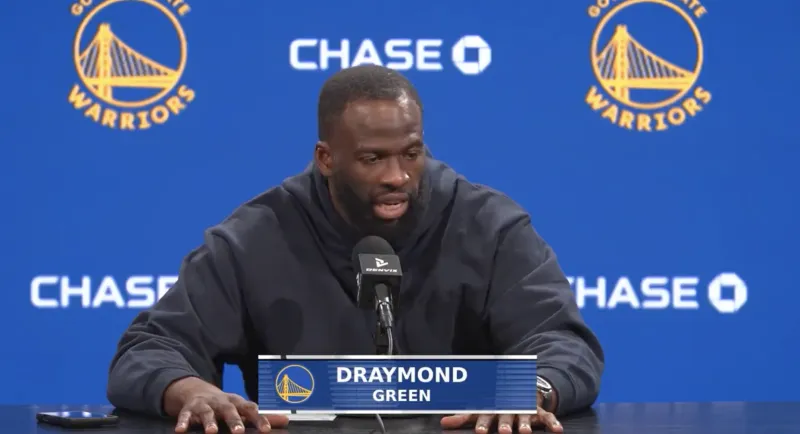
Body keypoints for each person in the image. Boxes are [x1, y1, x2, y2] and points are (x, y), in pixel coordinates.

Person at [107, 64, 604, 434]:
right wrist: (190, 390)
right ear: (326, 158)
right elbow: (150, 351)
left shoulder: (489, 226)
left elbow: (563, 344)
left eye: (412, 154)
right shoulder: (253, 238)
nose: (397, 176)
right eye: (372, 159)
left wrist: (531, 391)